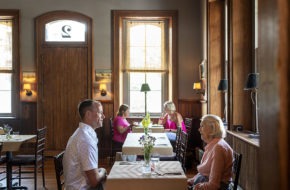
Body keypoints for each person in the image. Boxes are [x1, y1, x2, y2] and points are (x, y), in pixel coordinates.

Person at [63, 99, 107, 190]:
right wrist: (103, 171)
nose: (103, 116)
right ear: (88, 114)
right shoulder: (85, 140)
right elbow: (94, 181)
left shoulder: (82, 133)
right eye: (100, 112)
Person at [187, 114, 233, 190]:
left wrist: (195, 187)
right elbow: (204, 172)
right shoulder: (212, 144)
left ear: (212, 128)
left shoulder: (218, 148)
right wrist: (191, 181)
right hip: (204, 182)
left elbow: (214, 186)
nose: (199, 129)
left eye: (202, 126)